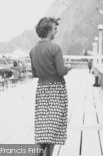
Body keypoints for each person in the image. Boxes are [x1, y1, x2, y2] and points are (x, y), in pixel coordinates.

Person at [29, 17, 71, 156]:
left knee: (44, 129)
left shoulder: (33, 50)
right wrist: (68, 67)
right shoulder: (55, 48)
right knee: (53, 129)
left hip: (42, 91)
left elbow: (35, 73)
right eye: (55, 29)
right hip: (56, 90)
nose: (56, 31)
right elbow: (61, 71)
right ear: (48, 30)